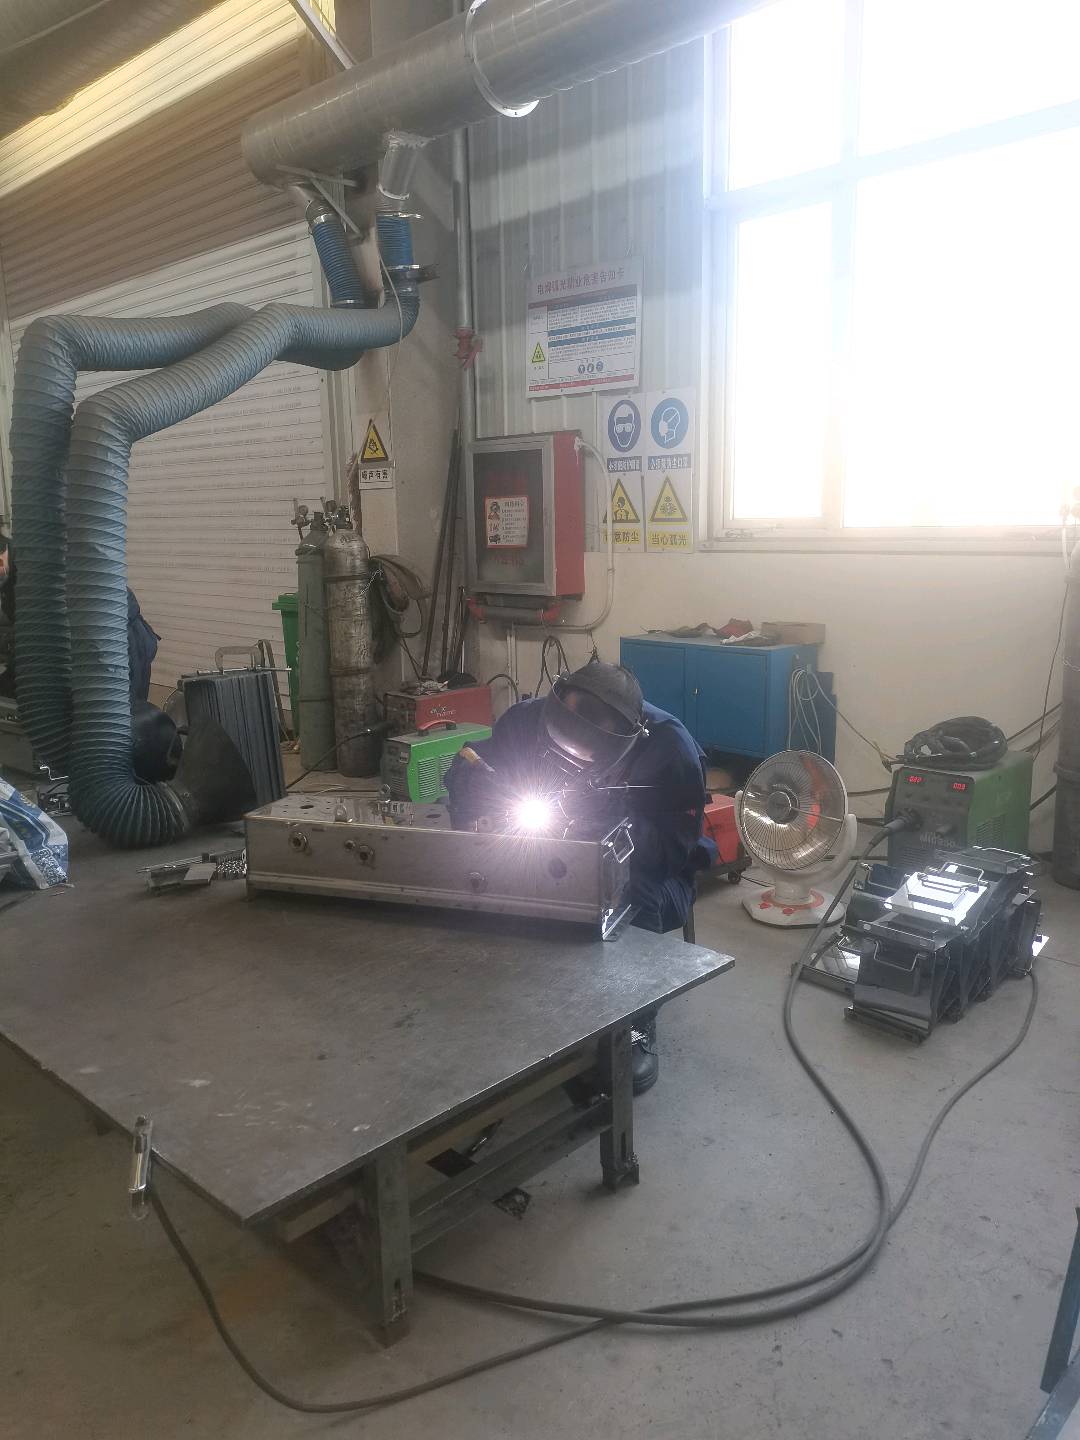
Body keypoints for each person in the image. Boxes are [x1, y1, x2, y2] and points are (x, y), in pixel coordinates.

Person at [445, 660, 715, 1094]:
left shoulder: (670, 750)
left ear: (627, 740)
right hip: (549, 851)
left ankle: (635, 1022)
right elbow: (482, 763)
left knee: (626, 893)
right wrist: (468, 781)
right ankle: (516, 990)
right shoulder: (524, 720)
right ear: (556, 705)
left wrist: (616, 824)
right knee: (488, 869)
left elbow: (672, 853)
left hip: (649, 876)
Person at [0, 531, 160, 703]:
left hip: (114, 639)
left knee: (118, 711)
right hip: (89, 636)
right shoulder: (14, 569)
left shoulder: (34, 569)